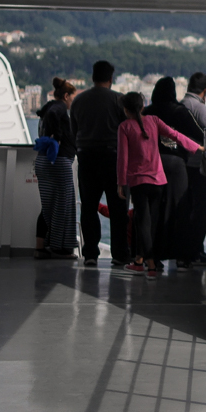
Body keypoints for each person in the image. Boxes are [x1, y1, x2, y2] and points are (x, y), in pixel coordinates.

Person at [116, 91, 201, 278]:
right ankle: (139, 261)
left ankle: (151, 266)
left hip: (138, 182)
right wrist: (197, 147)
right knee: (151, 223)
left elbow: (122, 158)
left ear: (126, 110)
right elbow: (175, 135)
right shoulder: (154, 121)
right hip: (158, 181)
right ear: (142, 106)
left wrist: (121, 182)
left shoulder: (124, 127)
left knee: (142, 223)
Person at [70, 60, 130, 268]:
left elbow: (73, 131)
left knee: (88, 207)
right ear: (111, 79)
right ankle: (120, 254)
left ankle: (90, 254)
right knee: (118, 208)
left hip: (86, 157)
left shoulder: (79, 101)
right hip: (113, 159)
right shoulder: (118, 100)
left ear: (93, 77)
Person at [144, 77, 198, 266]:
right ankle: (182, 256)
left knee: (153, 210)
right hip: (176, 165)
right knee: (180, 208)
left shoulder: (148, 112)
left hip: (152, 164)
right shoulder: (180, 112)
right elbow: (197, 134)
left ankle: (153, 257)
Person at [35, 78, 79, 258]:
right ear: (66, 96)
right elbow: (55, 116)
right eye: (72, 98)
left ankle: (40, 248)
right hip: (59, 163)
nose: (72, 102)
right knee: (63, 206)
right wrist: (58, 137)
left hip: (43, 161)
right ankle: (59, 248)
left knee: (48, 207)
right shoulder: (59, 108)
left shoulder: (47, 108)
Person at [182, 72, 206, 265]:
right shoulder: (199, 108)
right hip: (198, 166)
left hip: (182, 165)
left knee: (187, 210)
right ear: (205, 90)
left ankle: (187, 251)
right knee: (203, 210)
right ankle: (195, 251)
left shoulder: (181, 104)